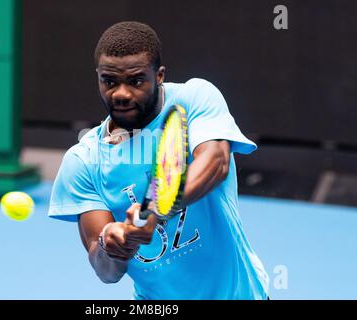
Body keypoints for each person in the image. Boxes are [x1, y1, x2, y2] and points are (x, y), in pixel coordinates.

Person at [48, 21, 269, 300]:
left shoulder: (194, 98)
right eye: (109, 81)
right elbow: (106, 272)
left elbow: (216, 162)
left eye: (136, 80)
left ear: (159, 75)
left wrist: (156, 208)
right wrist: (112, 244)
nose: (121, 94)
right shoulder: (82, 162)